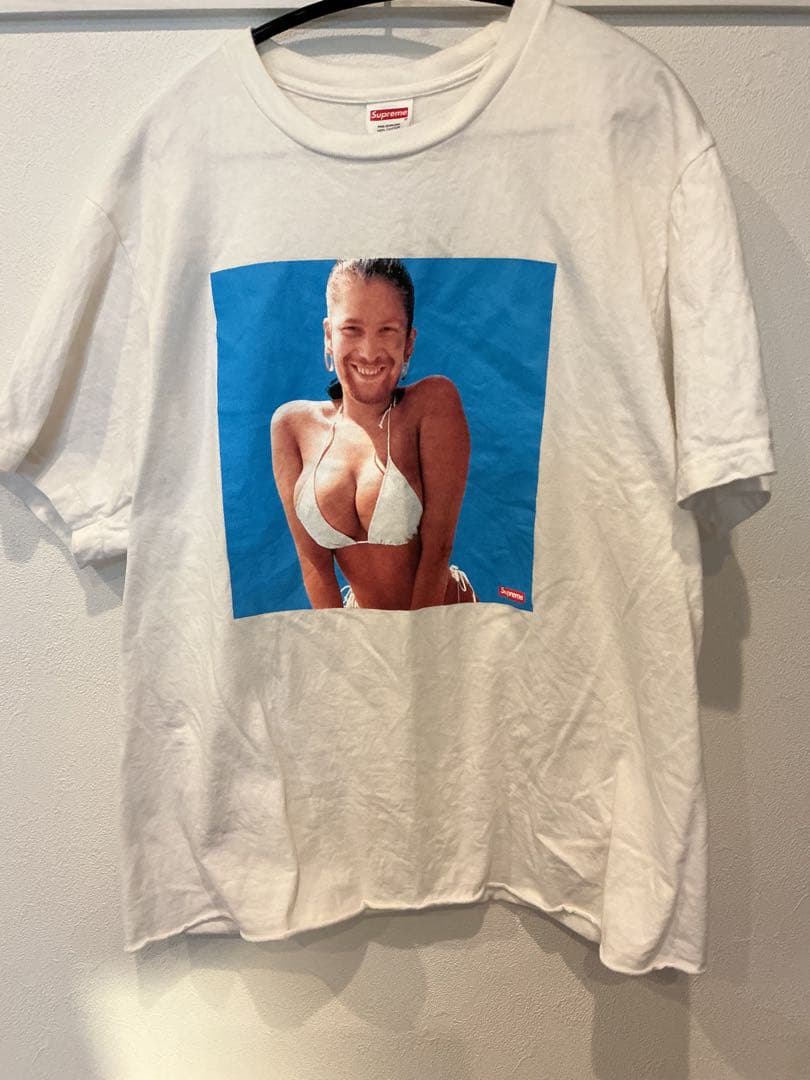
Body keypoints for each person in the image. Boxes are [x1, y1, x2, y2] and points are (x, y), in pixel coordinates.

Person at [270, 258, 478, 610]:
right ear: (328, 336)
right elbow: (314, 566)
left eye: (387, 330)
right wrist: (341, 641)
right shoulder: (291, 427)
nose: (368, 352)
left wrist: (415, 642)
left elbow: (437, 551)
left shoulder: (432, 404)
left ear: (408, 343)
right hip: (361, 627)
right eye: (352, 329)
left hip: (441, 618)